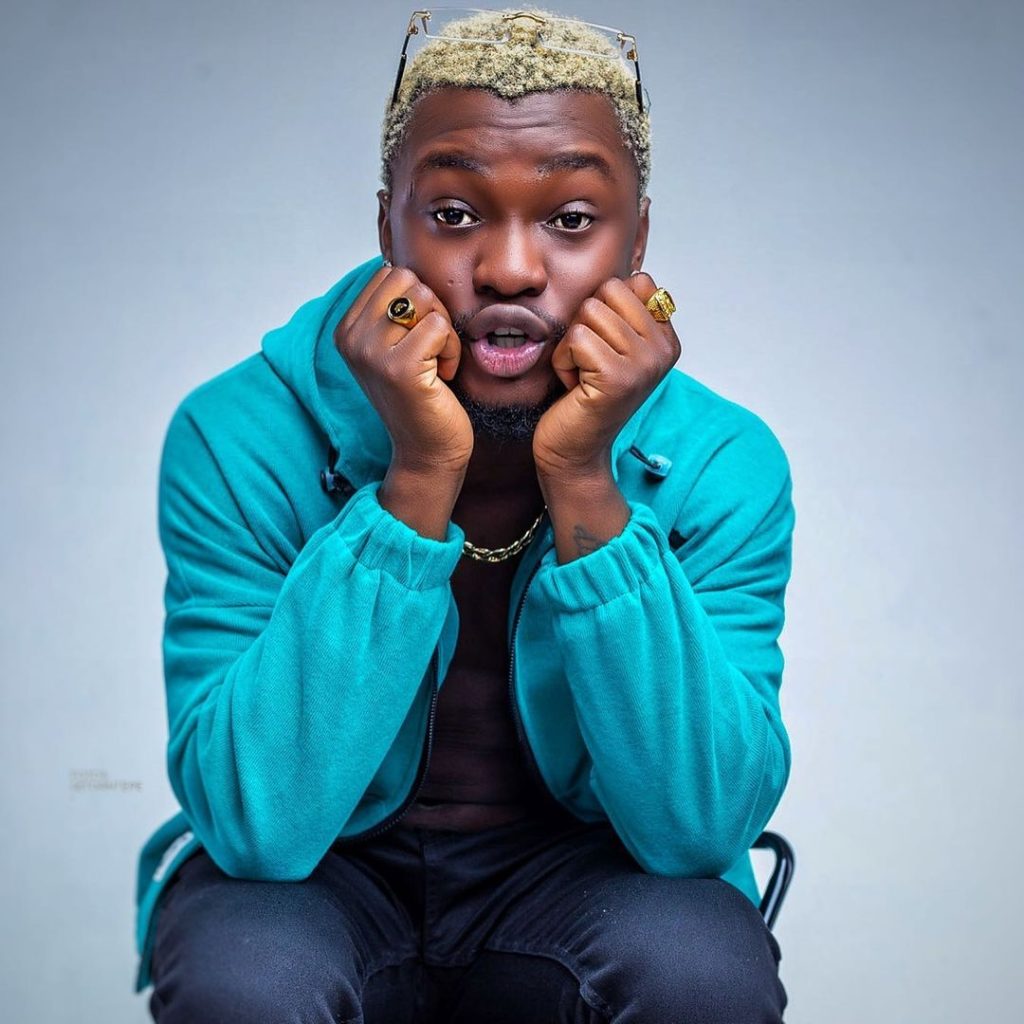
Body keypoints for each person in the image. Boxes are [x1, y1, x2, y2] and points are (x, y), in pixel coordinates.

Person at [134, 7, 794, 1021]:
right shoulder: (236, 433)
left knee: (699, 968)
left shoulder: (719, 461)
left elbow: (698, 829)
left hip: (585, 870)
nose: (510, 269)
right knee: (246, 979)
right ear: (386, 227)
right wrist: (417, 477)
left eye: (571, 219)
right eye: (452, 213)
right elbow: (257, 826)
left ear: (638, 240)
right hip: (320, 873)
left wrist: (584, 479)